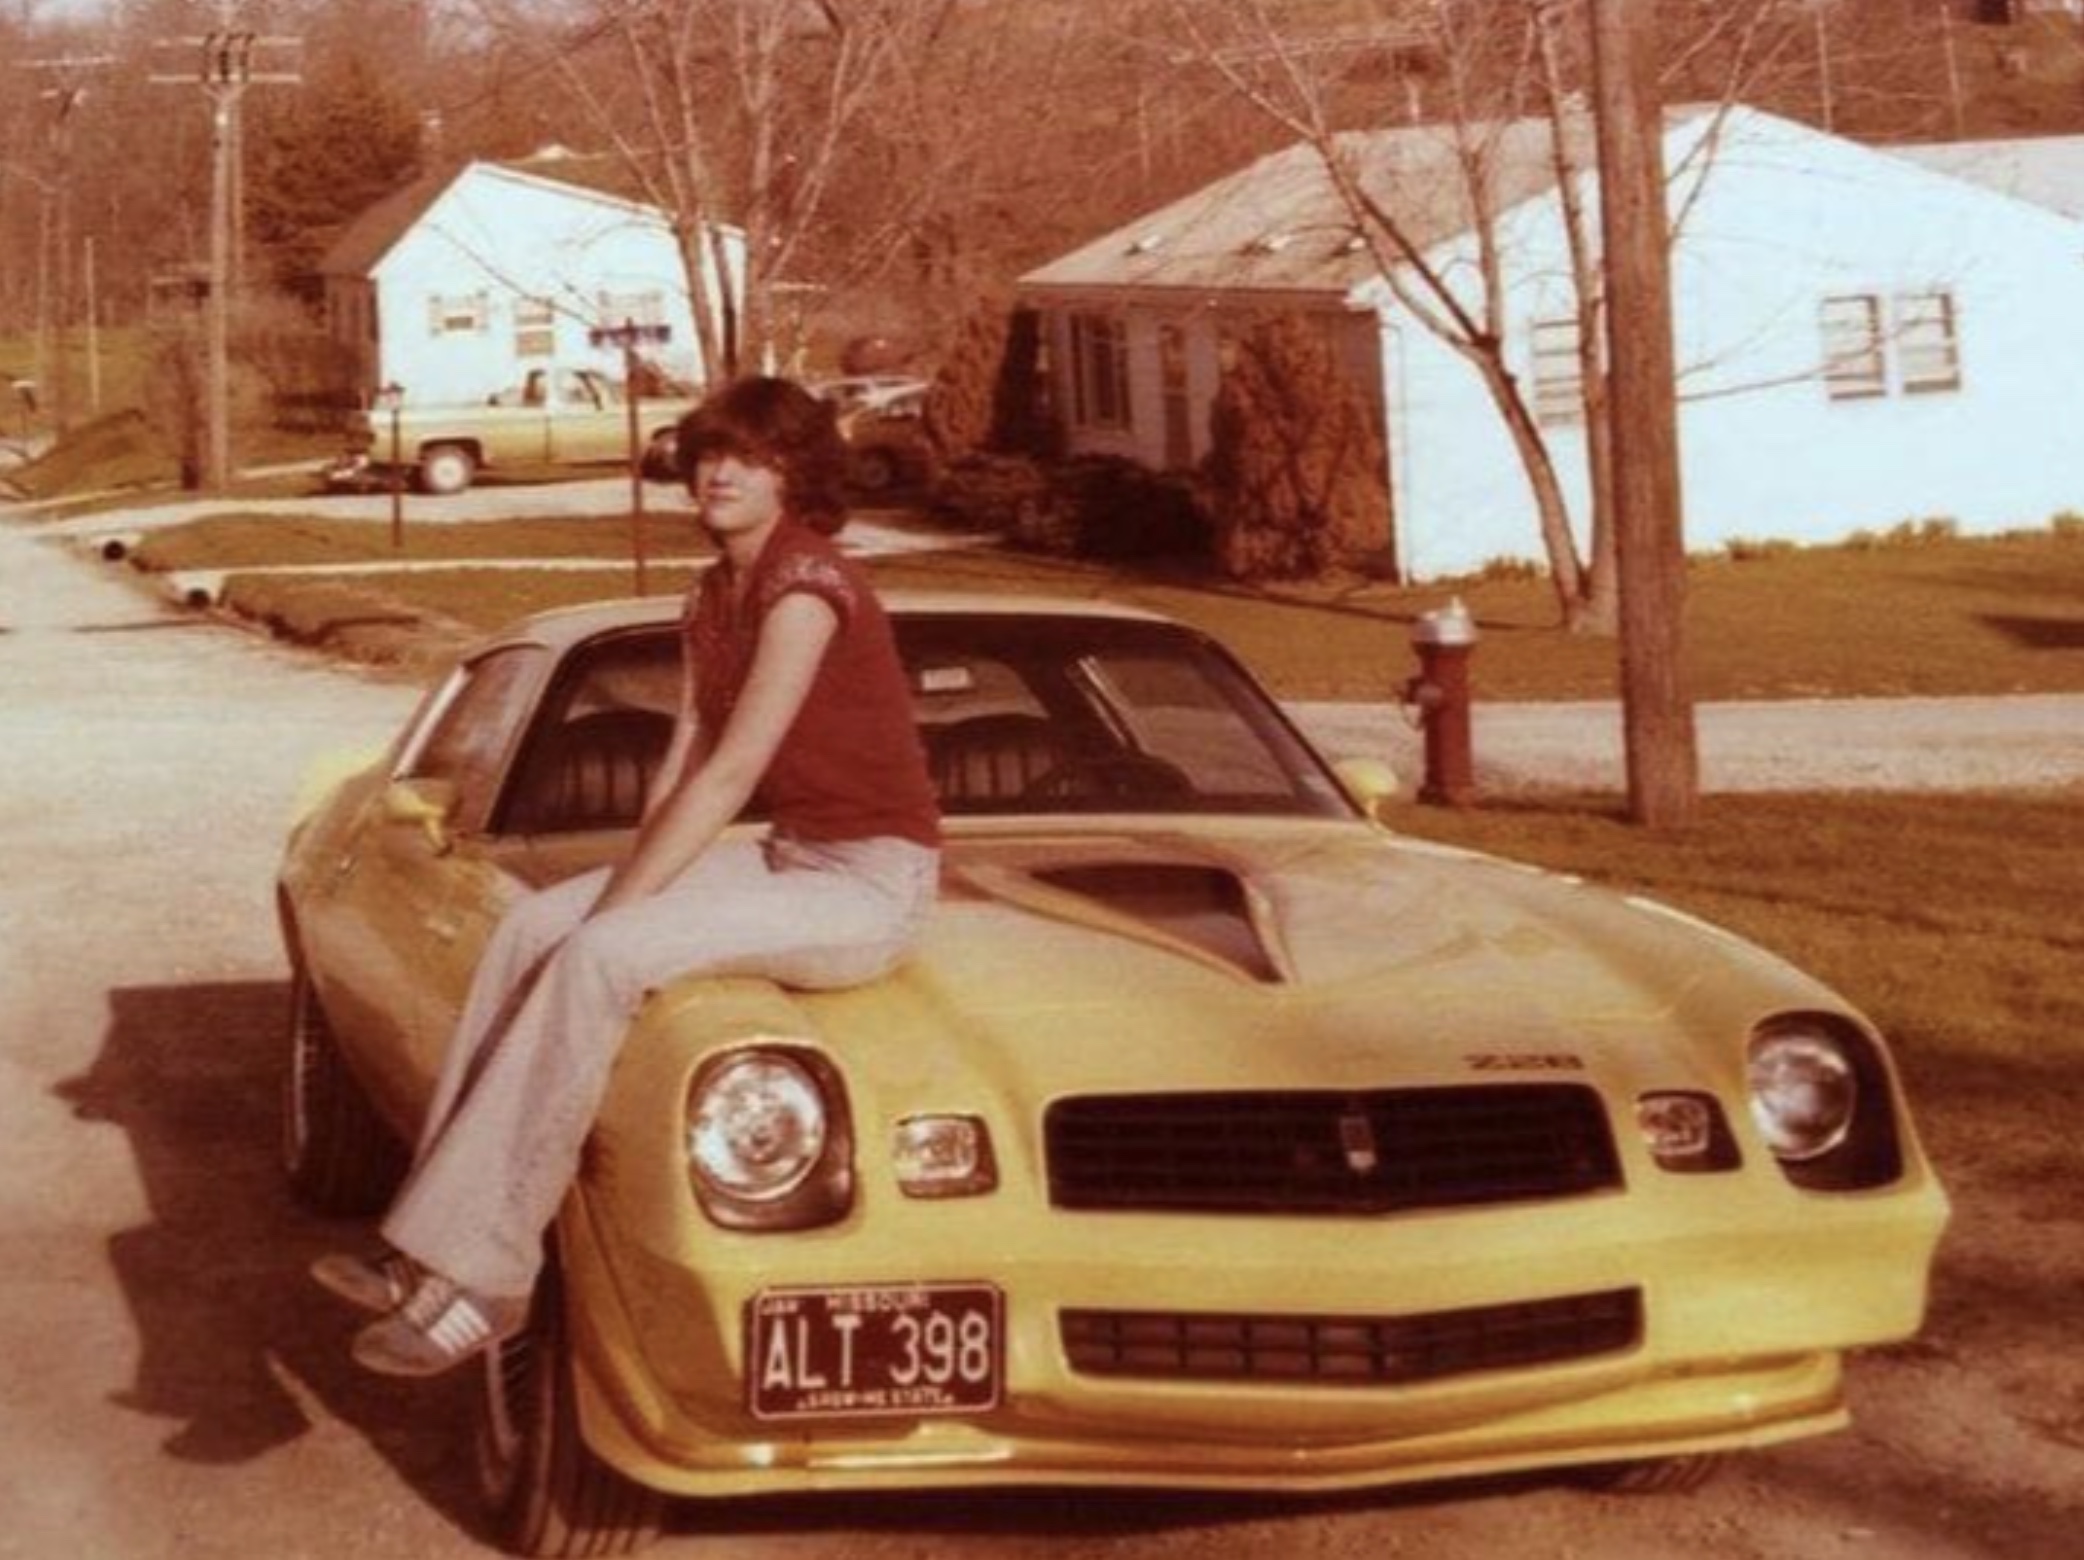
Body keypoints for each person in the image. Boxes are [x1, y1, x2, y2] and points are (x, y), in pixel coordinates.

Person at [314, 375, 942, 1377]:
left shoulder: (810, 588)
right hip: (789, 863)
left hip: (867, 889)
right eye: (706, 454)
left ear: (796, 475)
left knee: (603, 952)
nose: (719, 473)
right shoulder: (713, 593)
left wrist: (619, 909)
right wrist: (618, 890)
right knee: (528, 929)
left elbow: (737, 769)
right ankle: (423, 1255)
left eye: (750, 457)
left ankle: (487, 1277)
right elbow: (684, 763)